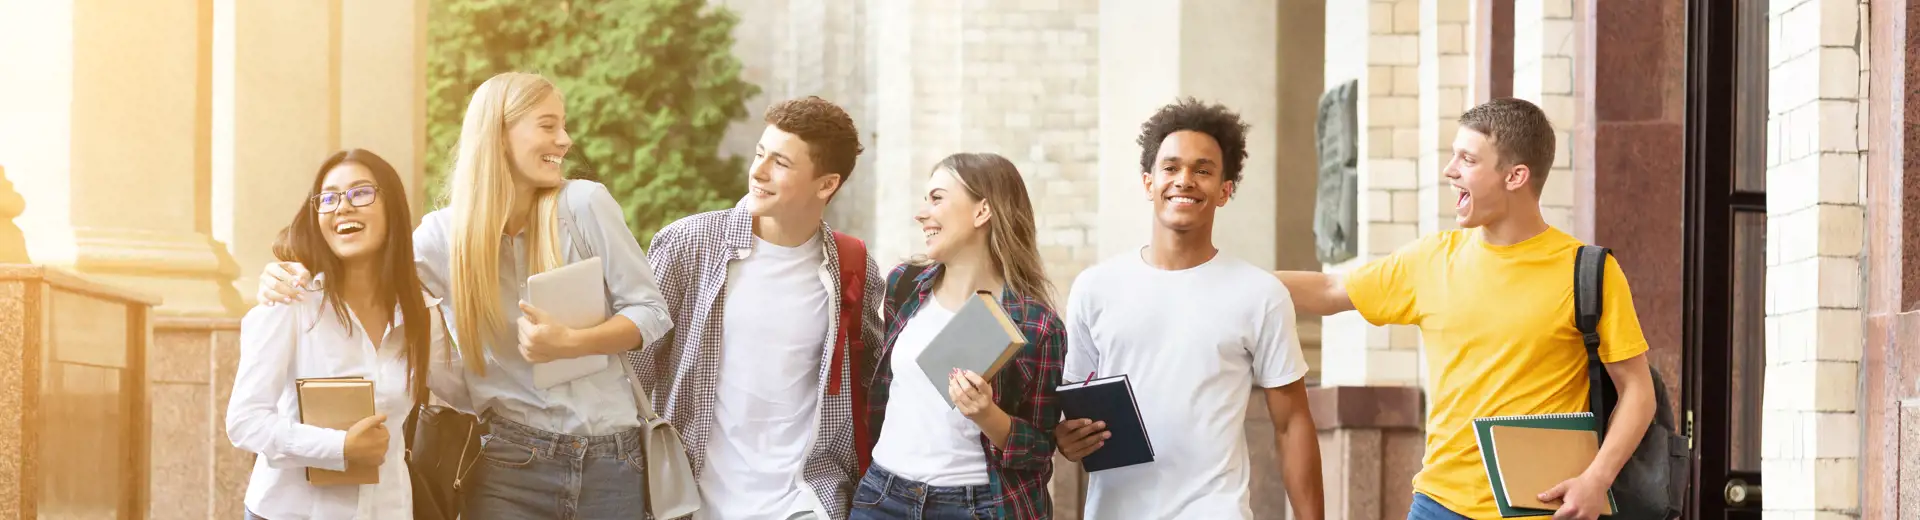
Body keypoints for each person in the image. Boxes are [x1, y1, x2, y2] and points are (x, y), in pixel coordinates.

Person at [254, 72, 675, 519]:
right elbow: (367, 274)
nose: (565, 140)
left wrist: (573, 342)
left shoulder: (585, 206)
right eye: (548, 125)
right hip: (509, 465)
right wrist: (289, 270)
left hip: (611, 462)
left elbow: (651, 312)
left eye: (563, 125)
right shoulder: (442, 237)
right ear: (499, 134)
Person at [1275, 97, 1657, 520]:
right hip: (1438, 505)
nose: (1449, 170)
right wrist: (1223, 278)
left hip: (1541, 509)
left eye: (1467, 159)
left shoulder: (1589, 272)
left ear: (1515, 176)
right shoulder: (1431, 259)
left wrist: (1596, 479)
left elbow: (1638, 392)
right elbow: (1330, 289)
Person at [1051, 98, 1325, 520]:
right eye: (1171, 167)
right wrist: (1068, 440)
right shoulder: (1095, 287)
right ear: (1148, 183)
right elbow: (1074, 409)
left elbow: (1292, 425)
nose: (1185, 180)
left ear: (1225, 190)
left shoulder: (1259, 293)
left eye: (1203, 170)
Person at [639, 96, 882, 520]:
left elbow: (876, 385)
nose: (758, 171)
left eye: (781, 164)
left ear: (826, 184)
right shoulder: (688, 245)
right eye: (759, 154)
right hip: (689, 502)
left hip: (803, 503)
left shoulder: (853, 268)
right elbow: (633, 372)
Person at [228, 149, 468, 519]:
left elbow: (468, 392)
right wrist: (339, 448)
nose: (342, 206)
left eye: (360, 193)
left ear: (393, 210)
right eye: (328, 197)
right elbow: (245, 422)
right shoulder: (291, 300)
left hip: (387, 510)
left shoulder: (421, 313)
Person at [853, 153, 1066, 520]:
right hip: (882, 497)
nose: (922, 213)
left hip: (976, 507)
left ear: (982, 211)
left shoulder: (1037, 325)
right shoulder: (904, 284)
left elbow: (1041, 448)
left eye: (937, 198)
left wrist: (987, 414)